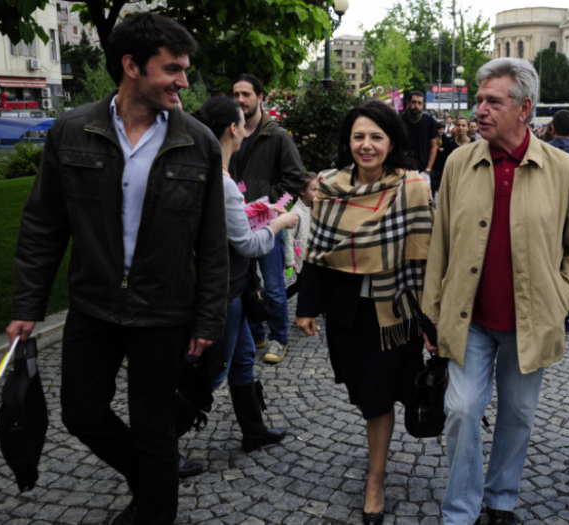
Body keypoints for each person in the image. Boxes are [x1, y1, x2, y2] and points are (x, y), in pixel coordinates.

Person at [6, 13, 227, 525]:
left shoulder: (199, 144)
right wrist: (26, 307)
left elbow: (213, 244)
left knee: (154, 427)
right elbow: (43, 225)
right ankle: (153, 477)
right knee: (81, 413)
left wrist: (208, 321)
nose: (183, 81)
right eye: (172, 69)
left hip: (164, 310)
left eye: (185, 69)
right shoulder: (72, 132)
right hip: (93, 304)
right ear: (131, 66)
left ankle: (154, 510)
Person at [423, 57, 569, 525]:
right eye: (479, 99)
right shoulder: (460, 162)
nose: (479, 109)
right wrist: (432, 310)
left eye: (492, 101)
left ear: (524, 109)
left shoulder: (562, 169)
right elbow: (439, 241)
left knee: (517, 416)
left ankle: (501, 503)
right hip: (469, 319)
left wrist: (562, 296)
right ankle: (459, 512)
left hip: (530, 322)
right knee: (460, 411)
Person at [295, 100, 433, 525]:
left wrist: (434, 321)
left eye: (376, 136)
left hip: (392, 310)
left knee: (376, 396)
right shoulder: (330, 187)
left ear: (391, 142)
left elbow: (427, 256)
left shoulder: (412, 187)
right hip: (344, 310)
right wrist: (306, 306)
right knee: (360, 391)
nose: (367, 145)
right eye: (359, 136)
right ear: (348, 141)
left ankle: (376, 479)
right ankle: (376, 457)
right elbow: (317, 253)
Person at [184, 96, 296, 467]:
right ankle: (161, 443)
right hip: (225, 292)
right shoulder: (222, 179)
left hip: (228, 288)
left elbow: (223, 228)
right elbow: (245, 244)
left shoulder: (207, 168)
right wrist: (278, 223)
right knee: (212, 373)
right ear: (234, 129)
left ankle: (253, 431)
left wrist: (257, 212)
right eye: (241, 121)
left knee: (244, 359)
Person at [230, 74, 305, 364]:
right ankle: (255, 332)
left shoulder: (276, 135)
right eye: (236, 94)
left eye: (246, 94)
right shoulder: (231, 132)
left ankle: (279, 338)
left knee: (274, 286)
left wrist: (275, 208)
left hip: (268, 226)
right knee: (244, 284)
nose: (240, 99)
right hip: (239, 223)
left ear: (261, 98)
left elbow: (296, 178)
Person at [285, 171, 319, 298]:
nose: (318, 193)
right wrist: (290, 261)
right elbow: (289, 237)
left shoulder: (315, 208)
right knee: (303, 286)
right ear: (302, 191)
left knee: (303, 286)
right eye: (314, 189)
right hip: (301, 259)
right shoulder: (295, 212)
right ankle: (278, 301)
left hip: (312, 258)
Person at [402, 90, 438, 183]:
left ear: (423, 105)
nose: (416, 106)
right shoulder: (399, 119)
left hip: (423, 169)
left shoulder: (429, 121)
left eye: (419, 103)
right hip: (403, 169)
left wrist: (428, 170)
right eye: (414, 102)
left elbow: (434, 146)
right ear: (408, 103)